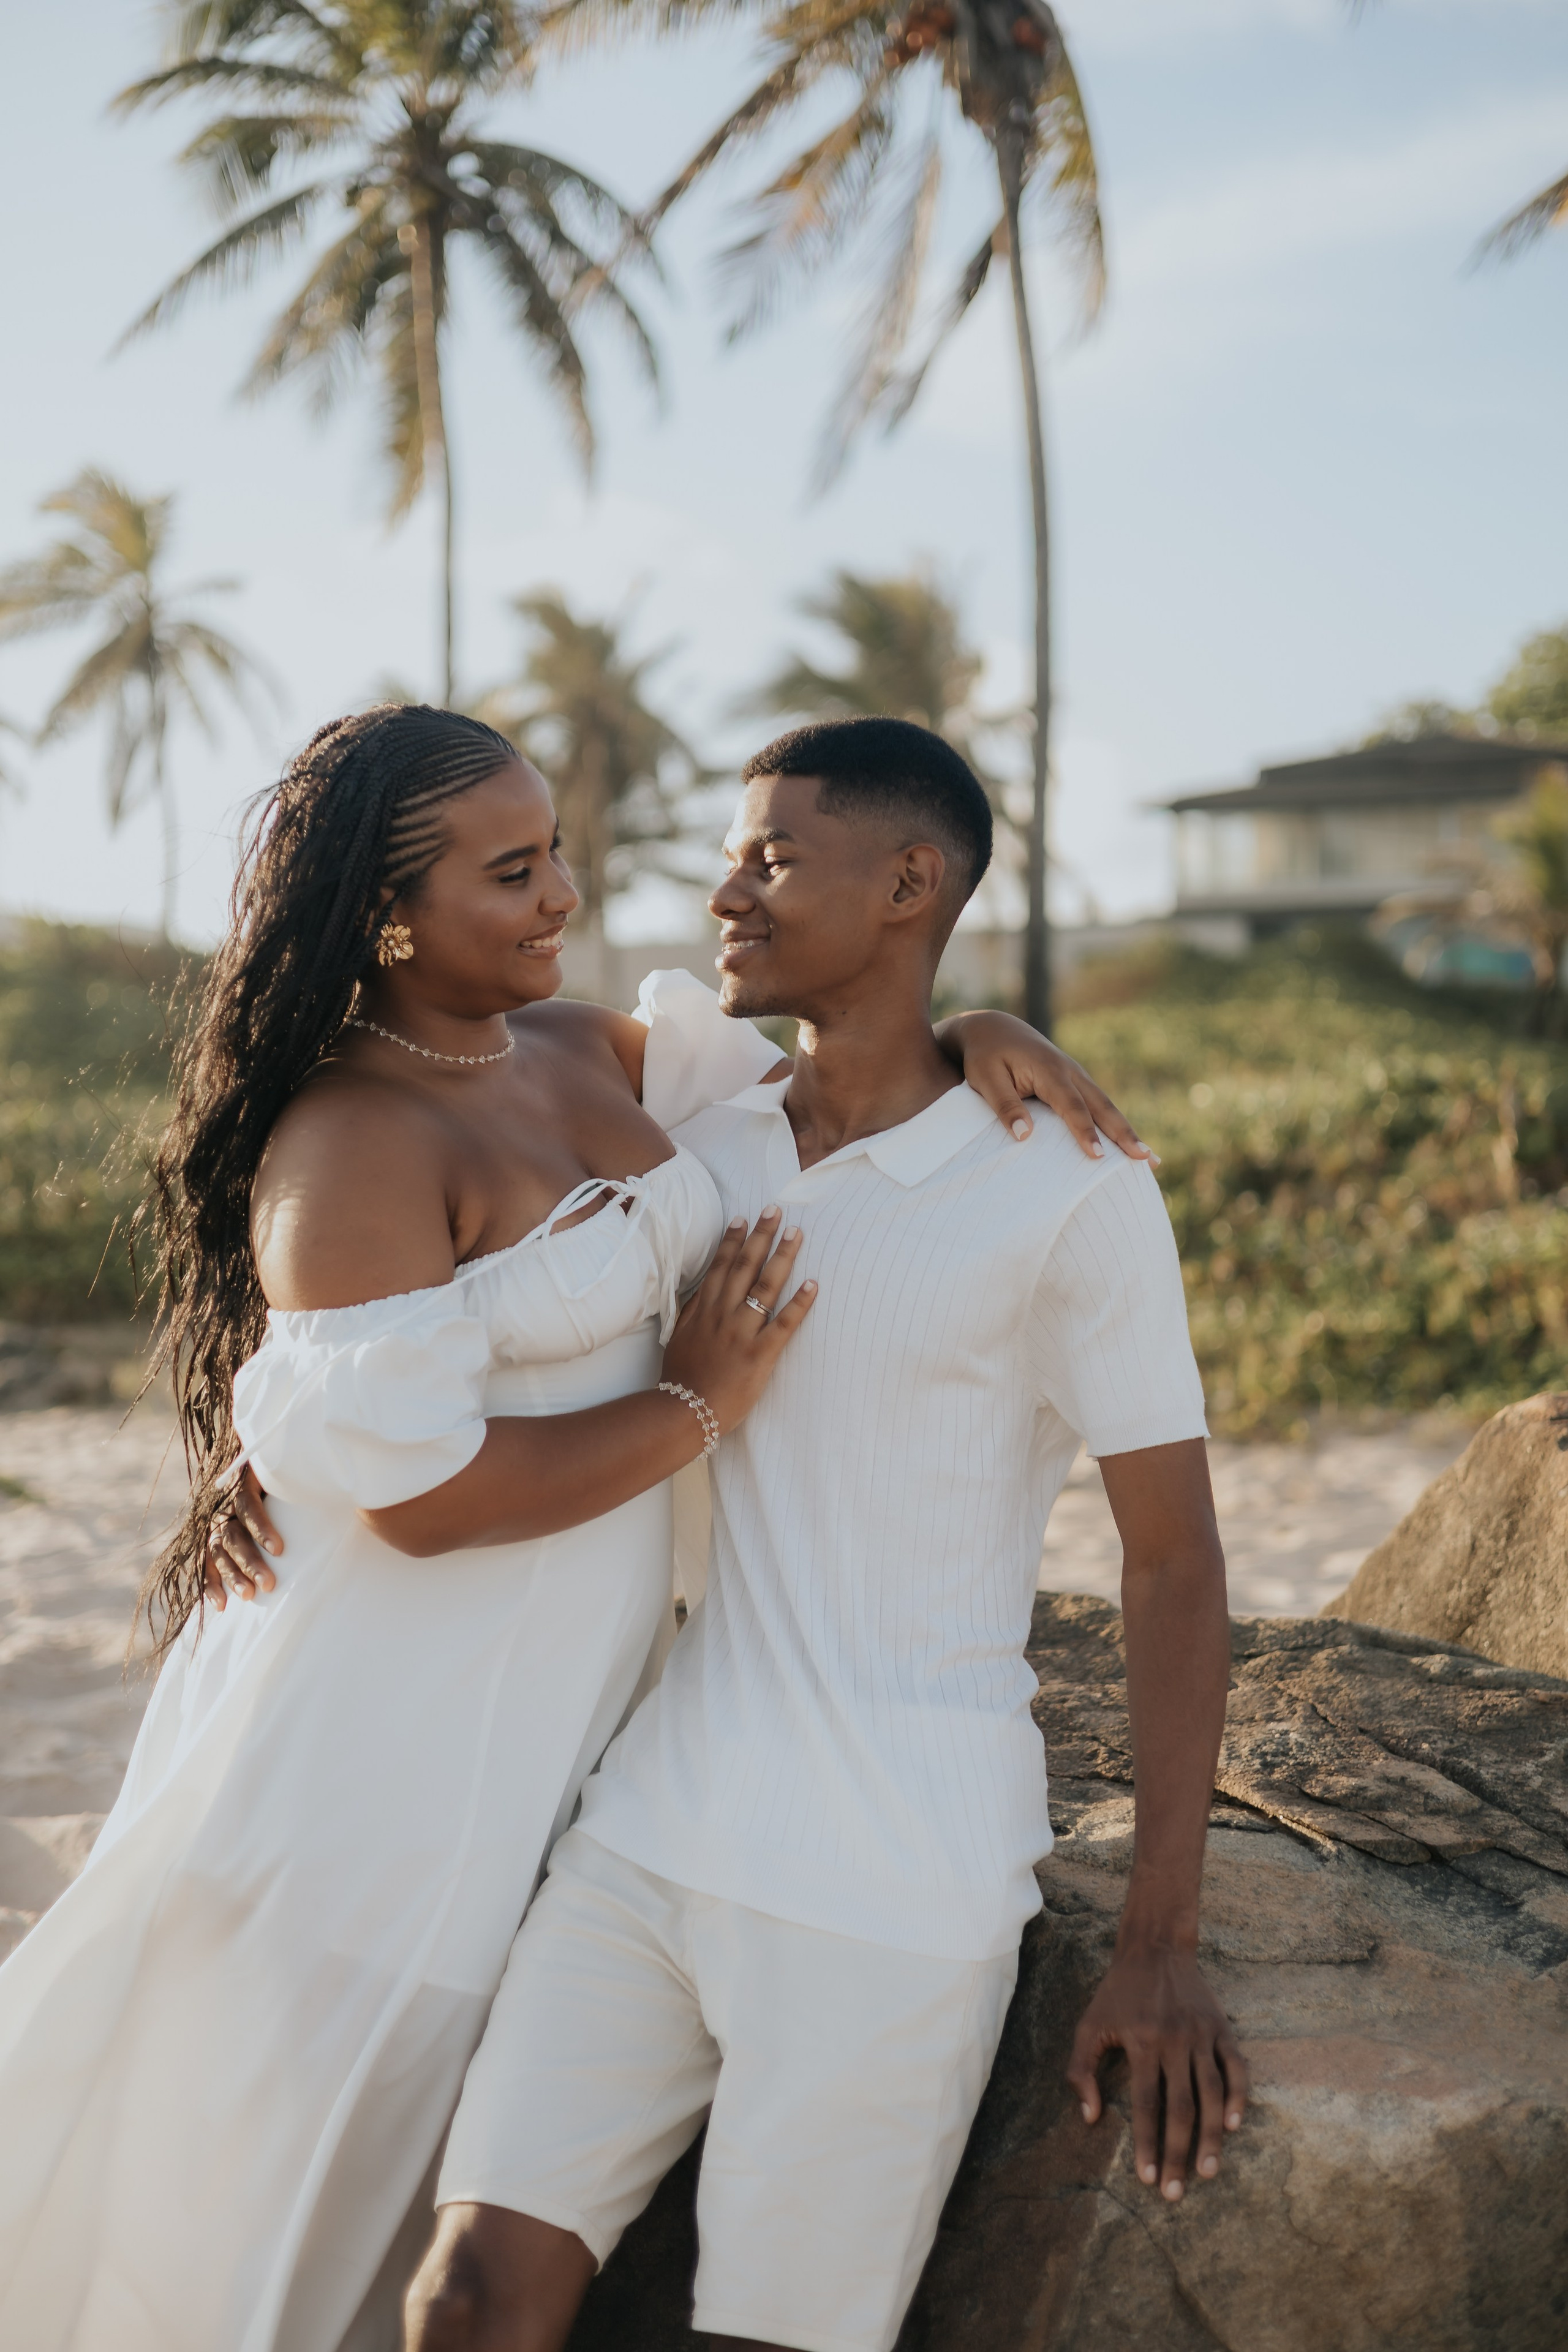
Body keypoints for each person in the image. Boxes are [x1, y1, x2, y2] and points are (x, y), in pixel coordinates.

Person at [0, 703, 1140, 2352]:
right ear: (389, 917)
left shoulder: (579, 1050)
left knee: (411, 2179)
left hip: (554, 1728)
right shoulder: (352, 1141)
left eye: (560, 858)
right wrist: (694, 1408)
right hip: (377, 1737)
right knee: (250, 2179)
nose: (563, 901)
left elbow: (834, 1059)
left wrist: (975, 1019)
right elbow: (421, 1502)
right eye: (514, 873)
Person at [404, 718, 1248, 2352]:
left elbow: (1178, 1561)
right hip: (648, 1832)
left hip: (895, 1874)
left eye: (774, 858)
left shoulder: (1068, 1183)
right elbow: (440, 1121)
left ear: (910, 882)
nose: (726, 890)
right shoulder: (701, 1140)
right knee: (471, 2297)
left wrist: (1161, 1941)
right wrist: (285, 1434)